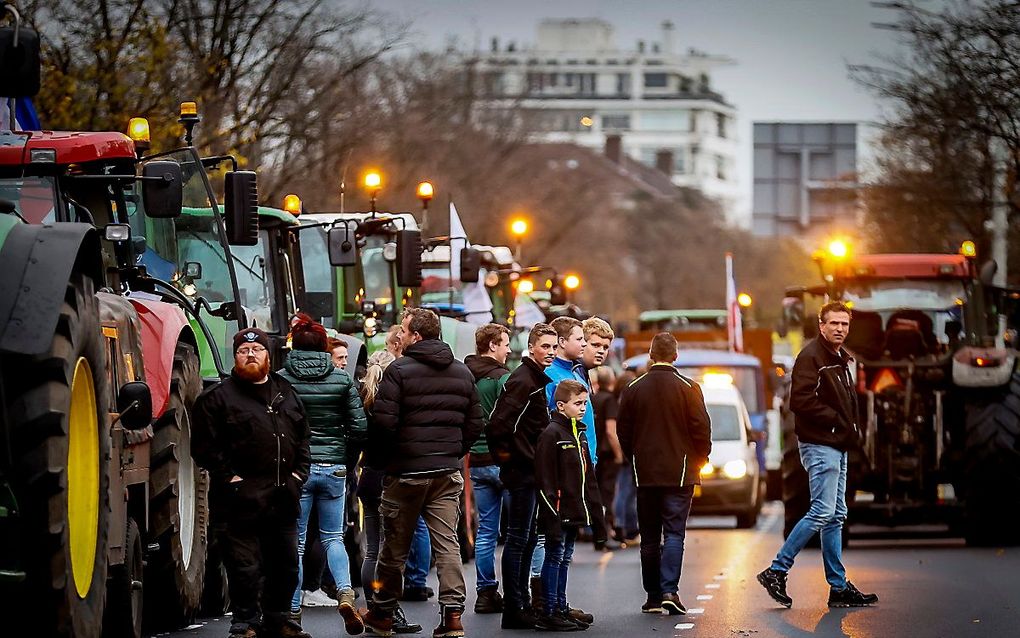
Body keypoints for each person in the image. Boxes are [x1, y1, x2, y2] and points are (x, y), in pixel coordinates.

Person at [361, 308, 483, 638]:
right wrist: (453, 451)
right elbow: (475, 423)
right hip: (446, 471)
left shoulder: (399, 371)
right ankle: (453, 616)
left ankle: (383, 612)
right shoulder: (461, 372)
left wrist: (392, 459)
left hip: (406, 472)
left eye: (403, 330)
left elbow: (384, 423)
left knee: (394, 550)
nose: (400, 335)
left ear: (415, 336)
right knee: (448, 546)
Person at [757, 302, 879, 609]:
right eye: (834, 323)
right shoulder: (812, 357)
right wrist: (838, 422)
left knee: (836, 515)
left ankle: (838, 587)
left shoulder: (838, 357)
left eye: (845, 324)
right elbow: (799, 401)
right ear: (821, 325)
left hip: (837, 445)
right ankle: (776, 570)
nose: (840, 328)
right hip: (821, 445)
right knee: (823, 512)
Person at [192, 328, 312, 638]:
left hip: (283, 497)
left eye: (256, 349)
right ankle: (245, 622)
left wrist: (298, 476)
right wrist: (230, 479)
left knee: (285, 565)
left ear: (268, 357)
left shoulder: (286, 392)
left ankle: (280, 618)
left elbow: (303, 440)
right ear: (235, 357)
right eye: (243, 350)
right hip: (239, 501)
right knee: (244, 567)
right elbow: (204, 447)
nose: (250, 354)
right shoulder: (217, 398)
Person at [278, 318, 368, 634]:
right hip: (334, 468)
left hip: (297, 471)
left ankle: (292, 610)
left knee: (297, 542)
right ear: (324, 347)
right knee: (333, 536)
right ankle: (345, 592)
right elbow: (359, 428)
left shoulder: (282, 380)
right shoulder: (342, 381)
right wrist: (345, 459)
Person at [617, 332, 712, 616]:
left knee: (649, 536)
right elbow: (701, 429)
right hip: (680, 472)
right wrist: (700, 458)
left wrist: (634, 456)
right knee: (673, 533)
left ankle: (653, 595)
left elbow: (624, 431)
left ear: (650, 354)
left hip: (645, 472)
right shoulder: (689, 387)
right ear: (675, 355)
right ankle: (670, 589)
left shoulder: (633, 388)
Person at [487, 322, 557, 630]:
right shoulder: (523, 380)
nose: (551, 352)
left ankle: (523, 604)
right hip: (522, 473)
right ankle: (514, 607)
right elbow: (499, 425)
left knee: (528, 538)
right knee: (518, 538)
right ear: (531, 347)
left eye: (555, 347)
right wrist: (515, 460)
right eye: (546, 347)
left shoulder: (535, 379)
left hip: (531, 471)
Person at [356, 350, 422, 635]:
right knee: (392, 552)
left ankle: (373, 605)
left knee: (373, 549)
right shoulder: (395, 403)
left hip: (368, 476)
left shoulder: (365, 400)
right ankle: (388, 609)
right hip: (390, 479)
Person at [535, 380, 606, 631]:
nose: (583, 407)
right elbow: (545, 479)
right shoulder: (552, 434)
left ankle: (561, 606)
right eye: (578, 403)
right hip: (558, 511)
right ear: (561, 405)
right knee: (554, 556)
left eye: (585, 403)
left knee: (564, 557)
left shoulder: (580, 434)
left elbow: (590, 480)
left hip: (575, 509)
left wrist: (598, 520)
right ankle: (549, 609)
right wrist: (551, 514)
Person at [464, 323, 513, 614]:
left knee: (486, 532)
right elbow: (510, 420)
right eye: (505, 343)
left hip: (477, 461)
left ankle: (485, 592)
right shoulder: (501, 378)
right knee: (520, 531)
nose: (508, 349)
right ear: (492, 345)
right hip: (502, 460)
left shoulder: (467, 376)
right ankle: (519, 591)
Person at [544, 317, 595, 463]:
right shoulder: (549, 375)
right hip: (569, 460)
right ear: (562, 342)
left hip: (586, 457)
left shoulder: (576, 371)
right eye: (579, 339)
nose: (584, 344)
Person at [592, 367, 624, 548]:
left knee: (597, 495)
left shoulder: (593, 398)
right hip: (607, 453)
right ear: (612, 381)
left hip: (595, 453)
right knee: (608, 495)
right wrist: (619, 454)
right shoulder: (610, 401)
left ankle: (598, 535)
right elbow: (611, 431)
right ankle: (606, 535)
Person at [612, 370, 639, 546]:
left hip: (623, 451)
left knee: (624, 490)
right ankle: (624, 526)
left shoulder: (616, 401)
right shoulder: (628, 402)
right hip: (628, 452)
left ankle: (622, 524)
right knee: (627, 492)